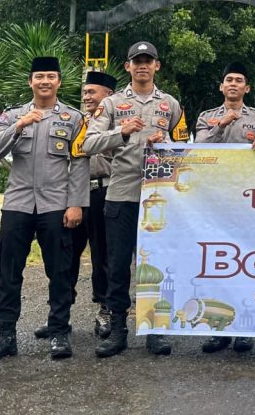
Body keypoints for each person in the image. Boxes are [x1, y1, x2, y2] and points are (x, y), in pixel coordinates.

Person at [0, 57, 89, 361]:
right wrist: (18, 126)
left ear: (59, 82)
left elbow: (80, 163)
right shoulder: (13, 115)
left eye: (50, 76)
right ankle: (7, 335)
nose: (44, 81)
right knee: (9, 270)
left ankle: (59, 333)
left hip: (56, 205)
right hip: (18, 204)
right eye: (39, 76)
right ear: (30, 82)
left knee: (61, 271)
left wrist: (76, 203)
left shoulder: (73, 118)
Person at [83, 41, 185, 358]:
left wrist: (164, 141)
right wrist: (123, 132)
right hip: (121, 192)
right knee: (117, 265)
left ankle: (154, 329)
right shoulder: (112, 104)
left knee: (154, 263)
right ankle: (118, 330)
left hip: (158, 196)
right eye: (136, 60)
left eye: (148, 60)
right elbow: (89, 143)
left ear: (157, 66)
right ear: (127, 67)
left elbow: (184, 148)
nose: (142, 65)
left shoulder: (171, 104)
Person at [34, 70, 118, 342]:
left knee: (102, 255)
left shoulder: (117, 121)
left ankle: (105, 311)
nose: (86, 96)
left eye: (92, 92)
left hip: (103, 192)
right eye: (84, 92)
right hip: (72, 197)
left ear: (109, 95)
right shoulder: (74, 120)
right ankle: (60, 317)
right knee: (65, 255)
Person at [195, 61, 255, 354]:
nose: (234, 84)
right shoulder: (207, 117)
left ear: (247, 88)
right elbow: (198, 147)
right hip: (215, 200)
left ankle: (245, 330)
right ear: (221, 87)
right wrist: (221, 125)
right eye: (229, 80)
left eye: (239, 80)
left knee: (246, 264)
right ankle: (218, 329)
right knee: (218, 264)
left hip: (248, 200)